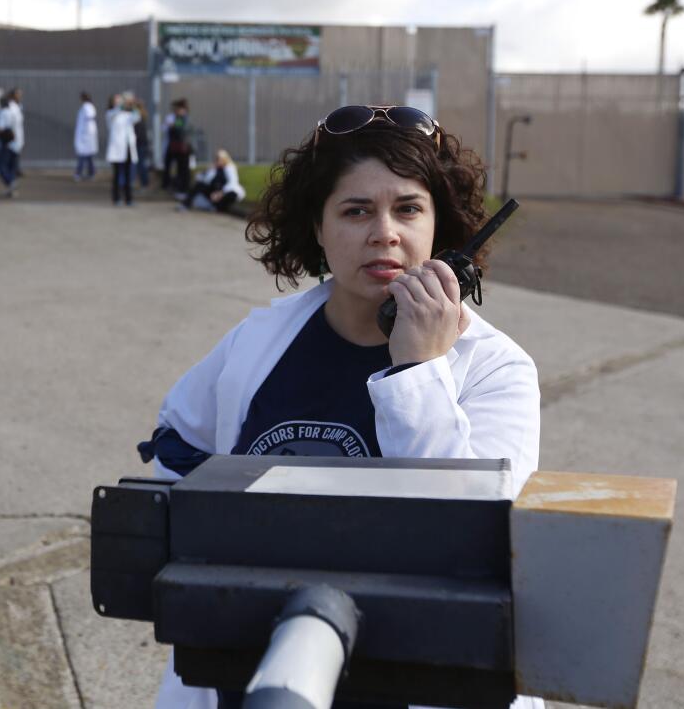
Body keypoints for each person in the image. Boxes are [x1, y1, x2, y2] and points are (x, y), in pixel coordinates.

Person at [139, 105, 542, 709]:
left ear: (441, 226)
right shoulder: (259, 339)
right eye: (356, 211)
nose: (385, 232)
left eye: (408, 208)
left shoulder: (495, 369)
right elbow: (177, 445)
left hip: (419, 679)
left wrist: (419, 370)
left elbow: (477, 544)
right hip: (253, 663)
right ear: (319, 229)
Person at [177, 148, 245, 212]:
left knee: (232, 195)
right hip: (213, 191)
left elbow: (232, 183)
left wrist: (220, 193)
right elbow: (203, 180)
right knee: (199, 185)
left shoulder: (230, 168)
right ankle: (186, 204)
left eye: (219, 159)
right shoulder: (214, 169)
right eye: (217, 159)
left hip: (224, 192)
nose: (218, 161)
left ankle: (220, 207)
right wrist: (208, 170)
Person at [105, 92, 141, 206]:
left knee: (127, 175)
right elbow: (115, 112)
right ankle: (116, 198)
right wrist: (122, 105)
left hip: (128, 148)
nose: (120, 101)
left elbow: (137, 117)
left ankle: (129, 199)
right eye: (117, 99)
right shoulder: (110, 113)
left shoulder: (127, 114)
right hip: (117, 149)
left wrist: (133, 104)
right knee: (117, 175)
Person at [0, 88, 25, 197]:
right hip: (17, 142)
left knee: (1, 165)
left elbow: (0, 128)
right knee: (12, 166)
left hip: (7, 143)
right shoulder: (15, 109)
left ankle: (10, 182)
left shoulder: (5, 112)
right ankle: (11, 189)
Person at [162, 99, 193, 194]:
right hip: (177, 147)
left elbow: (180, 128)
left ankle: (184, 189)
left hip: (183, 147)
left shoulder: (183, 118)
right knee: (179, 168)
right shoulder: (179, 118)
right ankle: (178, 187)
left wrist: (173, 125)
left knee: (184, 169)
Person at [74, 92, 98, 181]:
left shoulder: (87, 107)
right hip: (86, 137)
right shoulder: (87, 107)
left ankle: (78, 174)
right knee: (88, 157)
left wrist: (86, 134)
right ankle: (91, 173)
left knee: (83, 156)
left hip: (86, 138)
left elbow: (90, 117)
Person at [133, 99, 151, 189]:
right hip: (142, 143)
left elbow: (138, 133)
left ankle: (145, 183)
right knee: (141, 164)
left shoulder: (138, 117)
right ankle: (144, 183)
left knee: (140, 165)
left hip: (140, 143)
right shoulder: (141, 115)